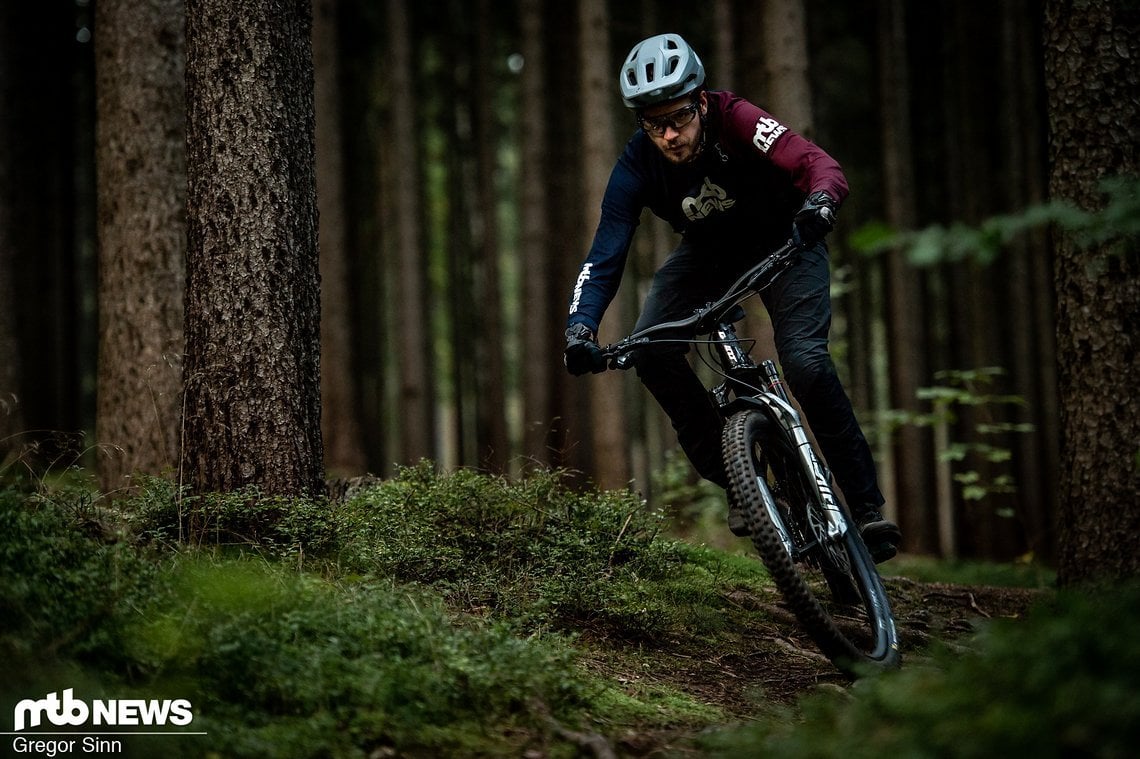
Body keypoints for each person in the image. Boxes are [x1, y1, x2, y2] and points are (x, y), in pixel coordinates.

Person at [562, 33, 901, 562]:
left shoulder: (736, 118)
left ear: (700, 101)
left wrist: (820, 202)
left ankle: (864, 504)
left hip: (789, 238)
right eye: (654, 124)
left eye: (678, 117)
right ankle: (746, 484)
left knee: (806, 363)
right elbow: (604, 252)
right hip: (709, 253)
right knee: (652, 355)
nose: (670, 135)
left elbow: (816, 161)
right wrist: (581, 327)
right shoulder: (636, 165)